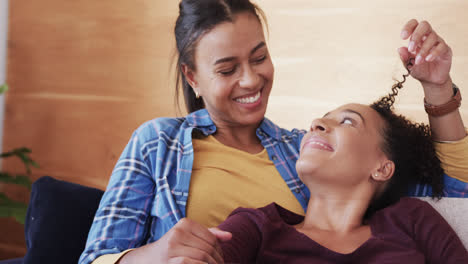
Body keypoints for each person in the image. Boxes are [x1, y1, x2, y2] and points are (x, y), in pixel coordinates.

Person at [79, 1, 468, 263]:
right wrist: (152, 256)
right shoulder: (157, 144)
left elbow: (452, 195)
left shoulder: (308, 150)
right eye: (228, 69)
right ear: (192, 77)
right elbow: (96, 257)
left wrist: (437, 87)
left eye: (260, 58)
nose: (251, 80)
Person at [217, 89, 468, 263]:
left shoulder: (411, 220)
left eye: (348, 122)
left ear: (382, 168)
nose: (316, 123)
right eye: (323, 119)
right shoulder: (254, 227)